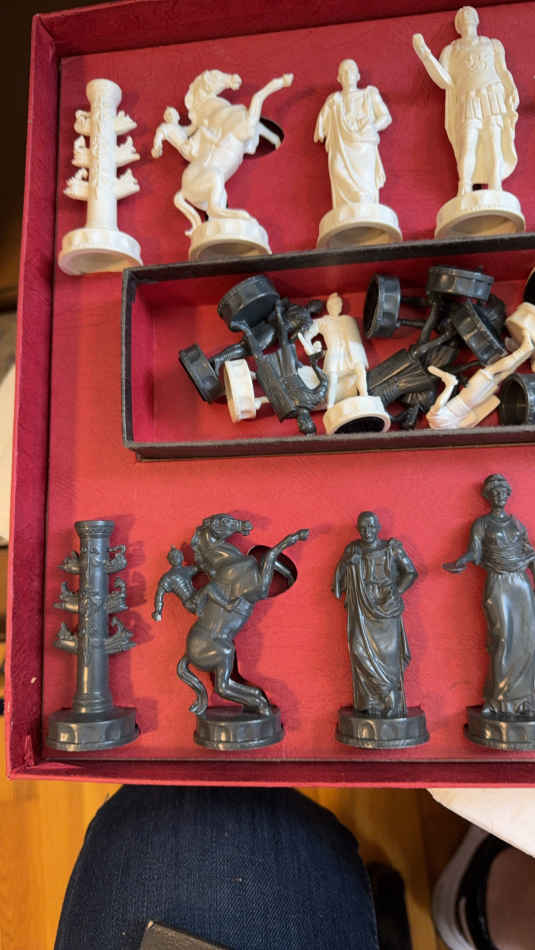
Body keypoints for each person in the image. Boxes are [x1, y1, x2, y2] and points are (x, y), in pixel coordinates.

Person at [444, 473, 535, 719]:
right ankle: (497, 700)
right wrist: (461, 561)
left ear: (508, 495)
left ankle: (524, 700)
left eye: (503, 492)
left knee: (526, 641)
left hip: (521, 583)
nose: (499, 496)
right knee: (502, 638)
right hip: (498, 582)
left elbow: (529, 554)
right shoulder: (482, 524)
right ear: (488, 496)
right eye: (494, 492)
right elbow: (474, 552)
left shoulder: (517, 524)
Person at [413, 6, 518, 196]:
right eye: (462, 16)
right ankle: (465, 187)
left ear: (477, 20)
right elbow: (444, 80)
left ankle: (496, 186)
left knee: (494, 142)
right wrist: (426, 55)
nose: (466, 16)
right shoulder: (451, 50)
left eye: (470, 14)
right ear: (458, 25)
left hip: (491, 95)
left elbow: (503, 71)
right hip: (468, 99)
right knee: (468, 144)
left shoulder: (493, 44)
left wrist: (511, 90)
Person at [333, 511, 417, 718]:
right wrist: (346, 563)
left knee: (388, 656)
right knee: (358, 650)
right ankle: (375, 699)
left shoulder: (391, 548)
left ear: (378, 528)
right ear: (358, 529)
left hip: (387, 608)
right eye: (363, 528)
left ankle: (390, 701)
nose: (367, 531)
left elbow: (410, 572)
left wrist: (396, 592)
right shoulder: (352, 549)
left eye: (371, 527)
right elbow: (338, 580)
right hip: (361, 608)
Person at [314, 59, 392, 207]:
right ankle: (353, 199)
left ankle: (364, 202)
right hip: (341, 144)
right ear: (339, 78)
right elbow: (321, 127)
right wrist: (329, 110)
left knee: (365, 177)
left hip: (364, 146)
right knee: (337, 167)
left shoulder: (369, 94)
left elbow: (385, 117)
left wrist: (372, 127)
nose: (347, 74)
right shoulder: (334, 100)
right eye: (343, 72)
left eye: (351, 70)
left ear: (357, 75)